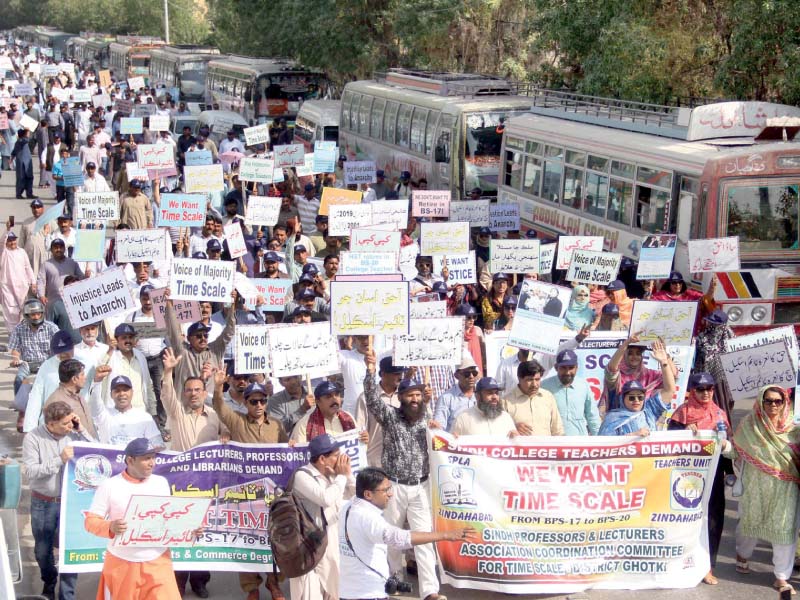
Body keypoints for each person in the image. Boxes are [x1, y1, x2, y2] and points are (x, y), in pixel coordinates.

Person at [362, 351, 447, 600]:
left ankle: (430, 590)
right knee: (392, 539)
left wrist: (437, 429)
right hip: (394, 488)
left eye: (418, 395)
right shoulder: (390, 416)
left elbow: (440, 441)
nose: (415, 399)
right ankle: (395, 584)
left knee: (424, 540)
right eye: (410, 395)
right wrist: (369, 372)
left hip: (420, 487)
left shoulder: (426, 418)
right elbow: (372, 400)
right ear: (400, 397)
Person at [84, 438, 194, 600]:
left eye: (154, 457)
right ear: (130, 460)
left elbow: (170, 520)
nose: (152, 463)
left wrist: (190, 529)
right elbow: (90, 521)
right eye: (146, 458)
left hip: (158, 561)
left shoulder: (161, 483)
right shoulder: (109, 486)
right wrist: (110, 527)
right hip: (122, 564)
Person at [338, 467, 473, 600]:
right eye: (385, 490)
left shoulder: (349, 506)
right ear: (368, 494)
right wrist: (446, 535)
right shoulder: (369, 519)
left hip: (348, 592)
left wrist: (347, 475)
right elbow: (399, 538)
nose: (390, 494)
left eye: (389, 488)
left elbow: (354, 490)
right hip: (369, 593)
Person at [211, 370, 287, 600]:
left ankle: (274, 583)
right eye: (253, 401)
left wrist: (292, 446)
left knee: (274, 540)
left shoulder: (276, 425)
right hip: (244, 492)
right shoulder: (236, 420)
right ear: (246, 403)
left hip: (271, 493)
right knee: (246, 540)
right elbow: (219, 407)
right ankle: (251, 587)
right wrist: (217, 386)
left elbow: (285, 454)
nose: (258, 405)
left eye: (262, 400)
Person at [161, 349, 224, 596]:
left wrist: (225, 435)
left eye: (198, 390)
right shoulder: (177, 414)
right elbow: (167, 395)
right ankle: (178, 581)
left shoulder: (215, 416)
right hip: (181, 484)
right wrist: (168, 371)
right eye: (189, 390)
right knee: (180, 534)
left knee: (202, 535)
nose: (194, 393)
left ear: (204, 392)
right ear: (184, 394)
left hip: (208, 485)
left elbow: (225, 436)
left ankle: (200, 582)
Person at [732, 386, 800, 596]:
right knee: (750, 522)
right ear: (761, 401)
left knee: (783, 528)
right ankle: (742, 555)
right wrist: (716, 442)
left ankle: (781, 576)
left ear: (784, 403)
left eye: (777, 401)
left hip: (785, 487)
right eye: (768, 401)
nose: (773, 405)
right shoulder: (749, 426)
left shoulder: (793, 430)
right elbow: (735, 451)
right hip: (755, 486)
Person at [668, 372, 733, 586]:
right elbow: (669, 446)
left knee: (713, 521)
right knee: (685, 520)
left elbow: (729, 448)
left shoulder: (720, 414)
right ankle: (681, 562)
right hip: (686, 478)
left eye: (710, 389)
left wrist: (728, 458)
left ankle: (707, 566)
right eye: (701, 389)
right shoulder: (681, 413)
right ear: (692, 391)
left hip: (713, 478)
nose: (706, 393)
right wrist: (685, 432)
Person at [22, 401, 90, 600]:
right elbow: (32, 472)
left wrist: (81, 429)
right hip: (44, 503)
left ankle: (66, 594)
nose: (70, 426)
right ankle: (49, 581)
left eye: (71, 421)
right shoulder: (33, 438)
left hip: (71, 501)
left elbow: (97, 450)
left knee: (70, 550)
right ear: (51, 424)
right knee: (43, 552)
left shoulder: (73, 434)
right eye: (65, 424)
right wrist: (59, 459)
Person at [289, 433, 356, 600]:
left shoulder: (333, 476)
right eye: (335, 456)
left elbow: (356, 497)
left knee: (334, 593)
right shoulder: (302, 476)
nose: (341, 459)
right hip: (309, 548)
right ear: (321, 459)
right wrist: (340, 477)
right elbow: (326, 499)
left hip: (332, 547)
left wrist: (347, 475)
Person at [598, 339, 674, 436]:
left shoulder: (649, 411)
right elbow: (606, 446)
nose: (636, 400)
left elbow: (670, 389)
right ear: (622, 397)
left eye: (640, 397)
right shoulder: (612, 419)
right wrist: (633, 436)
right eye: (631, 397)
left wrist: (664, 360)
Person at [88, 370, 164, 448]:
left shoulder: (144, 417)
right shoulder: (104, 415)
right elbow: (95, 401)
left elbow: (158, 444)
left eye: (125, 390)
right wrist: (97, 382)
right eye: (117, 391)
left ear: (132, 392)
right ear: (111, 394)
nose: (121, 394)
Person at [605, 332, 675, 412]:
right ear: (624, 356)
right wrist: (626, 344)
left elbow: (672, 379)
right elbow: (611, 369)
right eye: (630, 354)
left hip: (645, 417)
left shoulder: (650, 374)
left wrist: (665, 358)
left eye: (638, 354)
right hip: (619, 418)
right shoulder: (618, 376)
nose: (635, 357)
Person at [355, 357, 404, 467]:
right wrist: (363, 435)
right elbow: (359, 429)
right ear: (383, 374)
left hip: (401, 461)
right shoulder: (365, 398)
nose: (400, 376)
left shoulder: (405, 396)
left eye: (401, 373)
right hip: (376, 461)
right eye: (396, 373)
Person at [540, 349, 601, 436]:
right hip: (554, 442)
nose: (567, 372)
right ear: (556, 367)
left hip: (579, 442)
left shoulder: (583, 386)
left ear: (576, 368)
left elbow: (592, 416)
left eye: (571, 368)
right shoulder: (544, 386)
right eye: (563, 368)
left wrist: (599, 440)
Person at [9, 298, 60, 397]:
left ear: (42, 313)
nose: (36, 317)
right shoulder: (19, 329)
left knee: (56, 381)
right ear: (27, 315)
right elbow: (15, 349)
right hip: (27, 364)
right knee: (19, 379)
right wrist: (15, 359)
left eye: (38, 314)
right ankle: (20, 406)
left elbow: (61, 342)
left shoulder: (51, 327)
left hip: (47, 363)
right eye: (33, 314)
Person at [503, 359, 564, 436]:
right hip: (520, 447)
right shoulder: (506, 401)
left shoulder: (548, 397)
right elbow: (498, 430)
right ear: (519, 378)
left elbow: (557, 430)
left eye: (537, 379)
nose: (534, 384)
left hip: (545, 447)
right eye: (529, 380)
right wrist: (513, 428)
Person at [290, 381, 363, 444]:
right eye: (328, 397)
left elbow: (358, 447)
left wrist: (364, 440)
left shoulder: (348, 418)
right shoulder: (304, 425)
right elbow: (301, 453)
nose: (334, 399)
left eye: (337, 395)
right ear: (317, 401)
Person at [694, 308, 736, 419]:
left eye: (712, 323)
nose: (710, 325)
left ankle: (724, 430)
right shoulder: (702, 338)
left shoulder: (728, 338)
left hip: (721, 382)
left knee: (722, 407)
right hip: (711, 381)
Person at [452, 377, 516, 437]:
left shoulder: (505, 417)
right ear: (478, 396)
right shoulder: (463, 418)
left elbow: (516, 443)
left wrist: (517, 438)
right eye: (489, 393)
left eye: (496, 393)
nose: (495, 397)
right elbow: (448, 444)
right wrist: (453, 439)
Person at [433, 354, 479, 432]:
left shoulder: (481, 394)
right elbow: (439, 427)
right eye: (467, 374)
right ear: (456, 376)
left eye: (474, 373)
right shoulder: (446, 398)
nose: (471, 376)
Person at [0, 229, 35, 329]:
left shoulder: (22, 252)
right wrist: (7, 230)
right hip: (8, 291)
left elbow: (28, 268)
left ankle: (22, 340)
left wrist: (33, 282)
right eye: (10, 240)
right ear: (6, 242)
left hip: (22, 290)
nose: (12, 242)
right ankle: (13, 340)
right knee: (11, 315)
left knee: (24, 315)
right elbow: (1, 242)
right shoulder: (3, 253)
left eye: (14, 240)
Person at [12, 127, 36, 199]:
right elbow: (26, 140)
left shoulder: (19, 141)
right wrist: (27, 131)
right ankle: (19, 193)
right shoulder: (21, 140)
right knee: (21, 178)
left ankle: (29, 193)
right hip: (22, 163)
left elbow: (14, 151)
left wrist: (12, 156)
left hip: (27, 162)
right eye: (27, 133)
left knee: (29, 177)